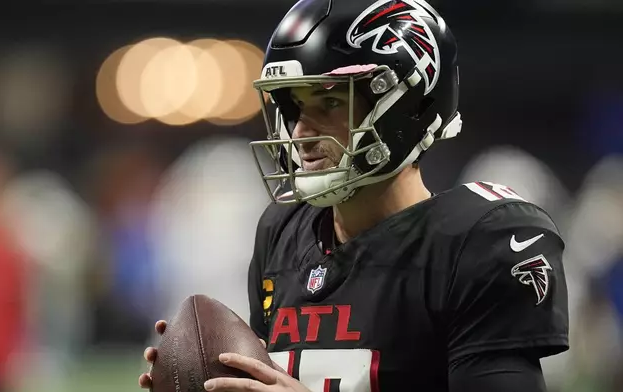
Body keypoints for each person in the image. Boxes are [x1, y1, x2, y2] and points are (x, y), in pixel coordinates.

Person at [139, 0, 569, 390]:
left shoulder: (480, 241)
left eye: (329, 103)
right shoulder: (283, 232)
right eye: (293, 107)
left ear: (408, 106)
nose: (302, 134)